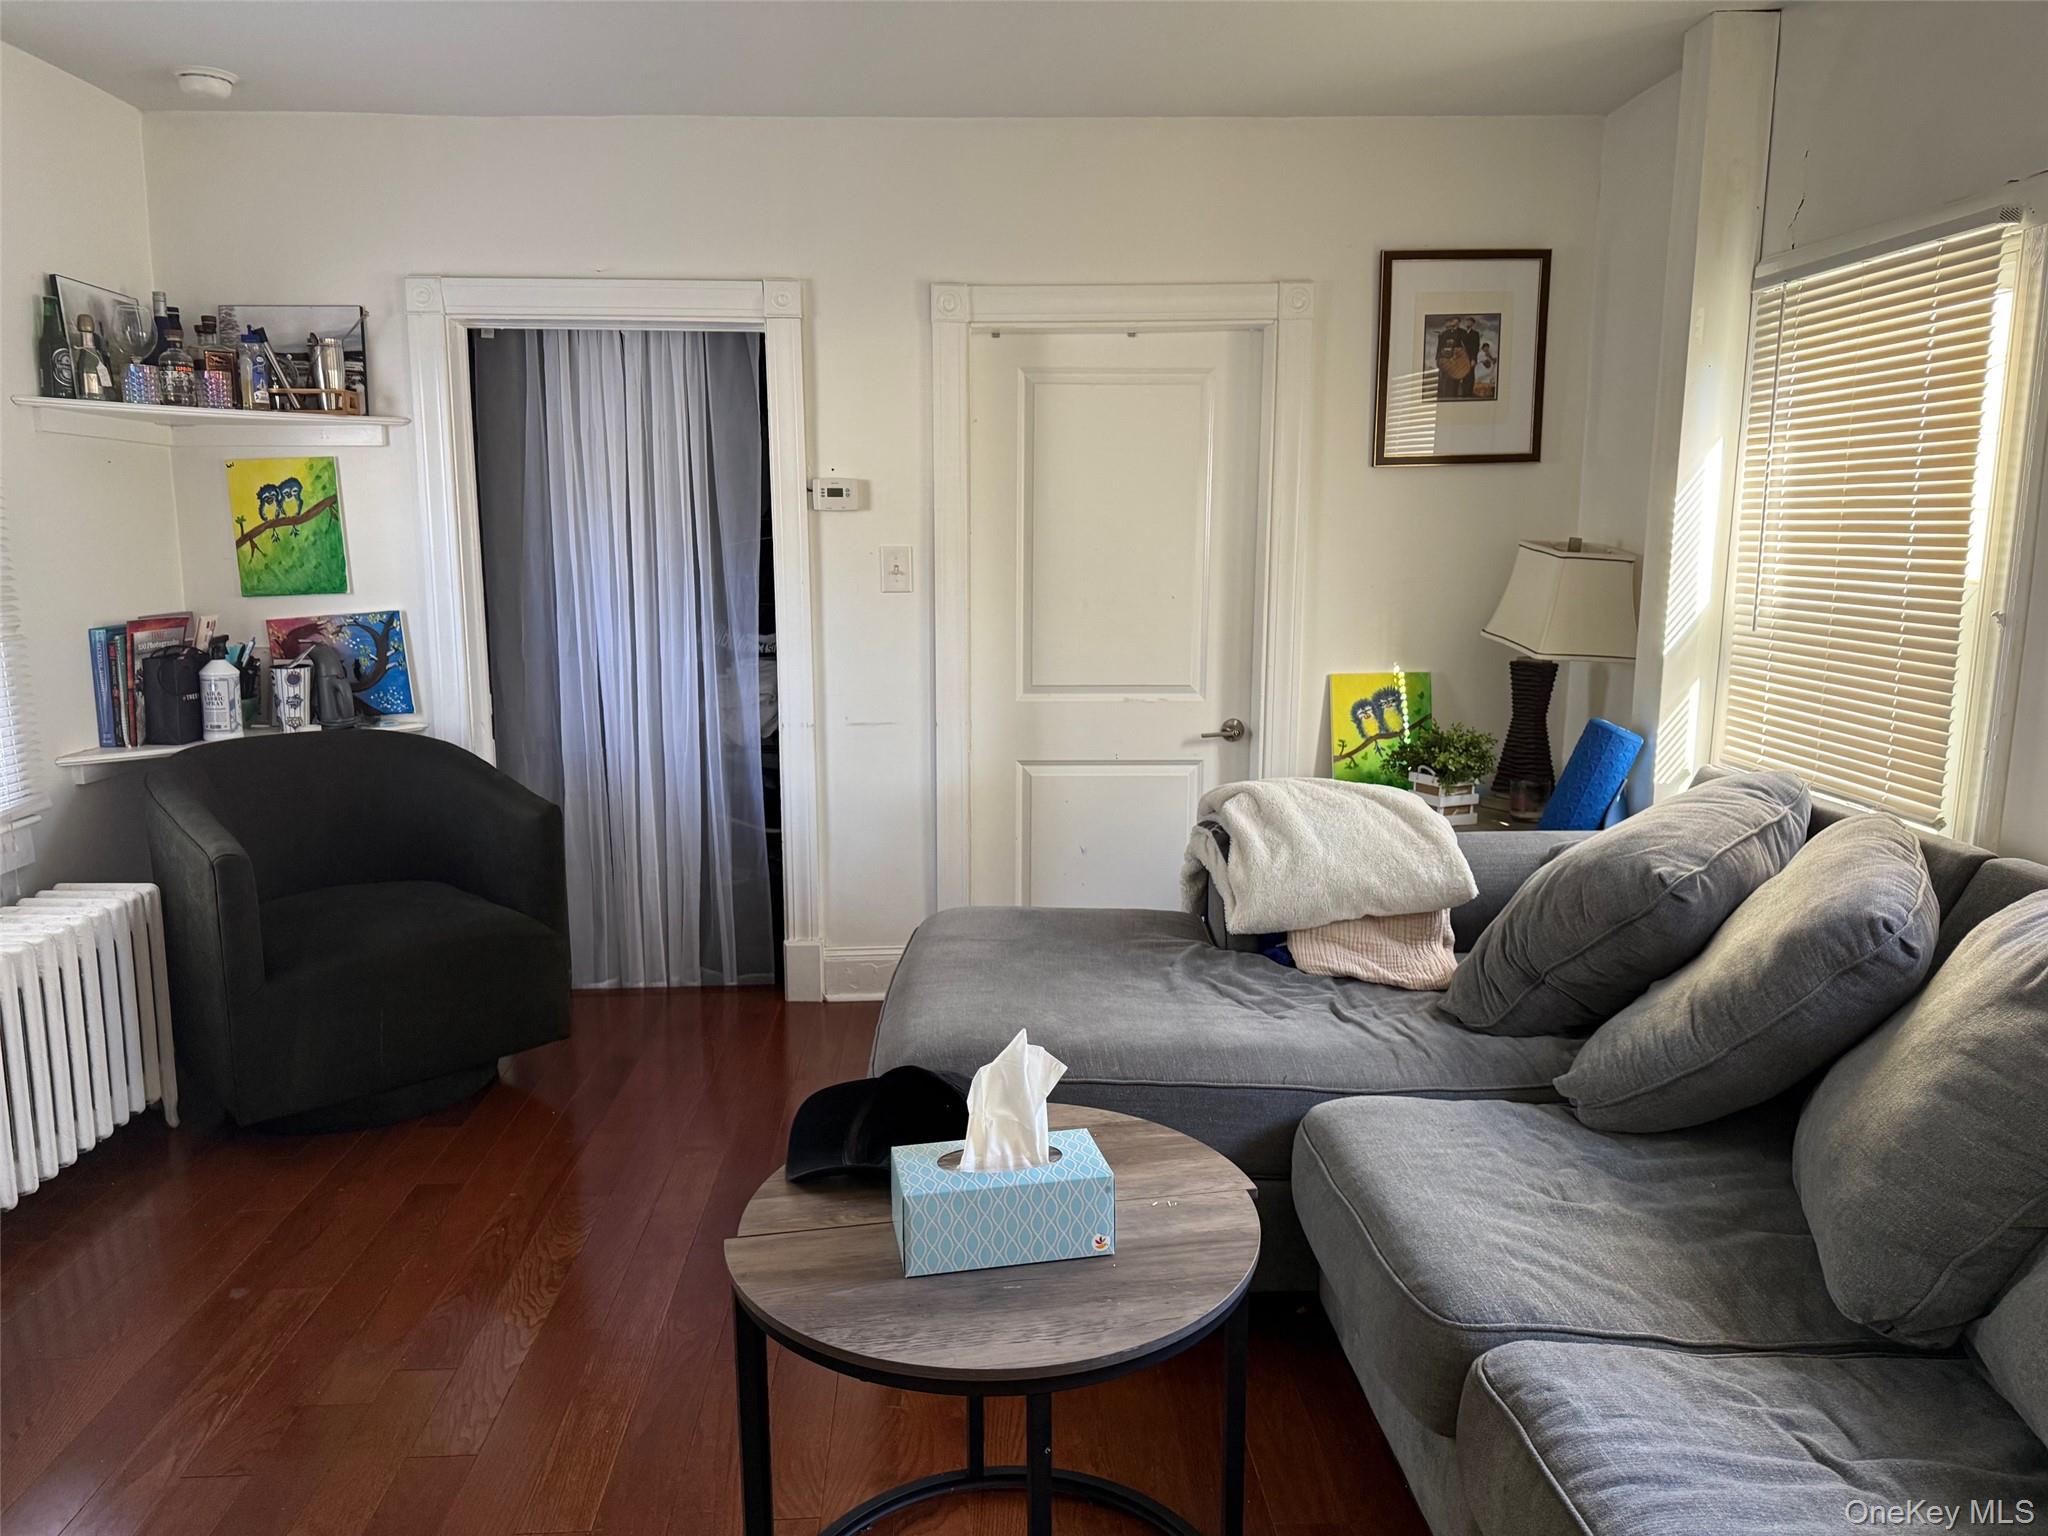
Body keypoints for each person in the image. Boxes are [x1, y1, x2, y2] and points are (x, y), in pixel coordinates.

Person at [1434, 323, 1482, 400]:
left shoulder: (1460, 345)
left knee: (1459, 380)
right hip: (1449, 366)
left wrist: (1472, 359)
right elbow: (1441, 351)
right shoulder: (1445, 339)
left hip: (1459, 365)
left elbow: (1471, 348)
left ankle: (1463, 395)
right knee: (1447, 381)